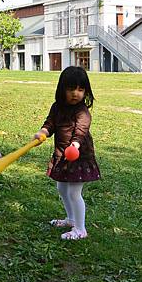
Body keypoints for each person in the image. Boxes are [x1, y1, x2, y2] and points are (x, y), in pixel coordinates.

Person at [34, 66, 100, 241]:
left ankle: (80, 229)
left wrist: (75, 145)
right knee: (62, 188)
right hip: (63, 155)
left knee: (73, 193)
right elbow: (51, 123)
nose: (75, 94)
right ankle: (71, 219)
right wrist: (43, 132)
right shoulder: (57, 107)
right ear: (62, 89)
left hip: (79, 157)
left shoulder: (82, 111)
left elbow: (81, 129)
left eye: (80, 89)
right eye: (71, 89)